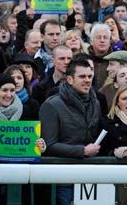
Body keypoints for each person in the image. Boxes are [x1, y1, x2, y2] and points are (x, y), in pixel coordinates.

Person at [39, 58, 104, 205]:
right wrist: (82, 151)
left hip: (90, 175)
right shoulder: (52, 105)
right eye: (82, 76)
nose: (87, 80)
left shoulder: (96, 102)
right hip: (62, 177)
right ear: (69, 79)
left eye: (89, 76)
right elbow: (48, 145)